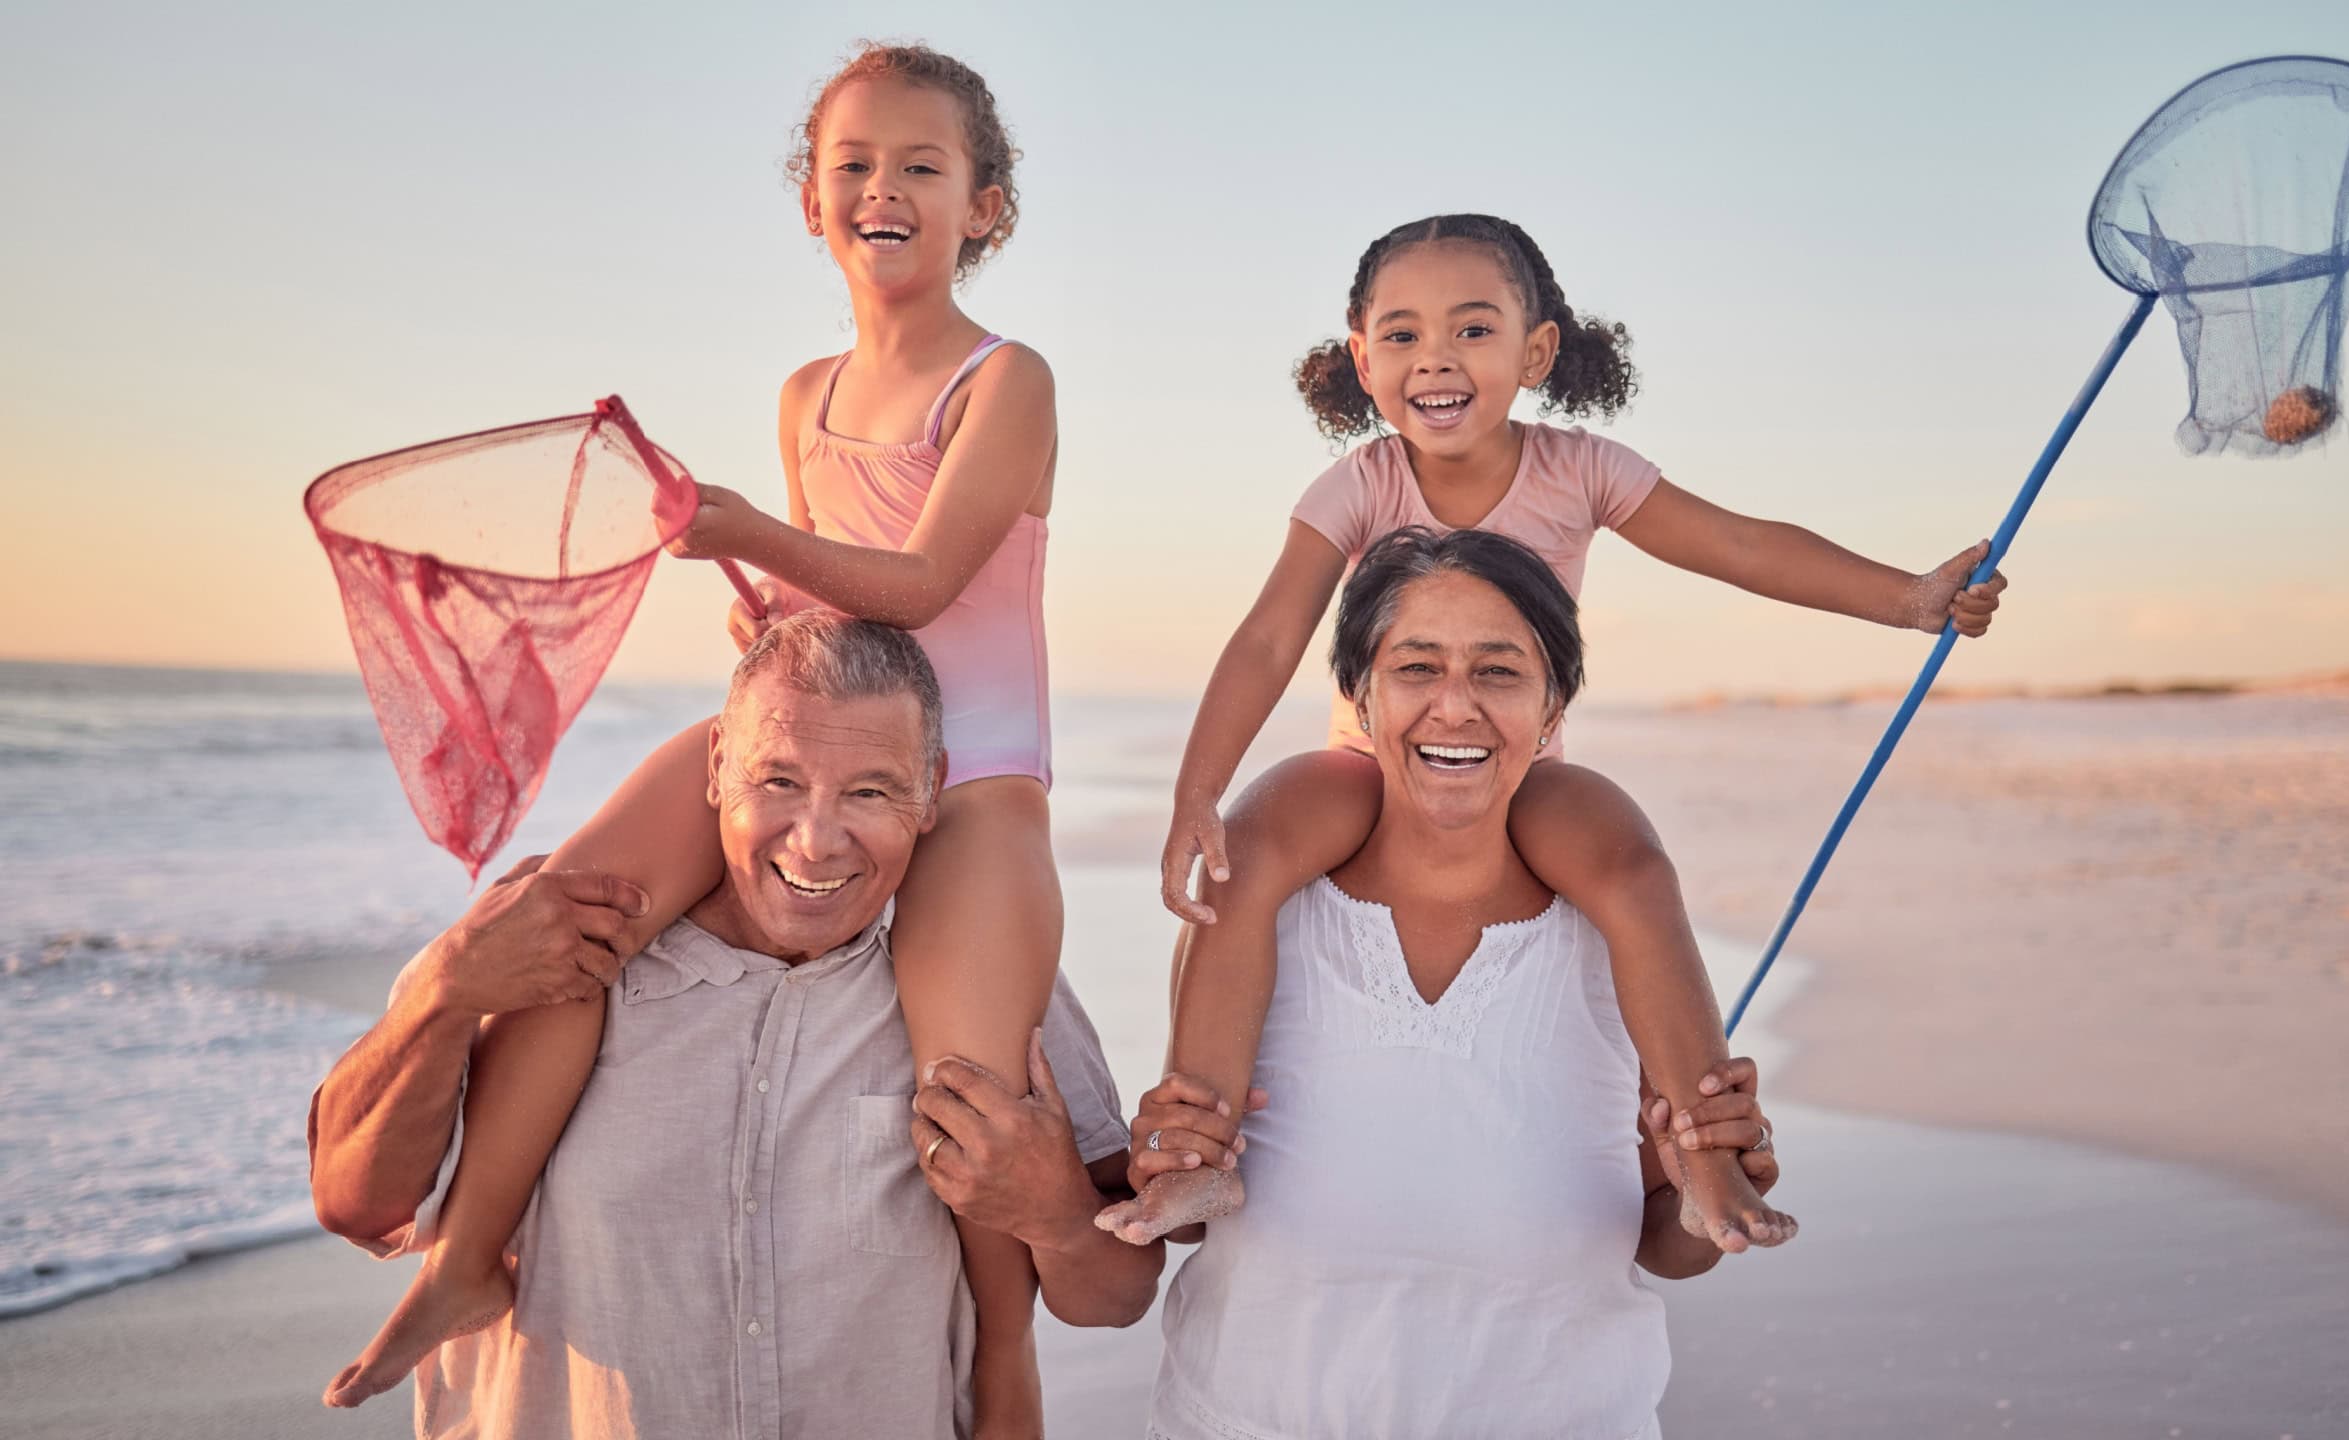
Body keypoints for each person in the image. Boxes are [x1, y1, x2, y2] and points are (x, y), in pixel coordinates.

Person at [321, 43, 1073, 1434]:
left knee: (969, 1087)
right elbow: (835, 600)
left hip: (974, 774)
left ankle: (1006, 1360)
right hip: (837, 731)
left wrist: (747, 532)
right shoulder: (804, 394)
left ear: (985, 205)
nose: (884, 189)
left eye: (922, 166)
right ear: (811, 199)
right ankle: (467, 1254)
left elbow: (918, 586)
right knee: (574, 924)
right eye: (854, 165)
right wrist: (773, 611)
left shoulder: (1003, 379)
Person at [1128, 212, 2006, 1246]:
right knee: (1246, 852)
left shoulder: (1581, 469)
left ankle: (1705, 1157)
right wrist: (1196, 792)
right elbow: (1270, 637)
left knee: (1629, 864)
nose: (1435, 359)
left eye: (1472, 329)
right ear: (1363, 361)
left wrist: (1906, 599)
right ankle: (1192, 1155)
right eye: (1402, 335)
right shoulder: (1358, 483)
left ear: (1535, 351)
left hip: (1523, 763)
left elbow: (1737, 545)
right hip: (1373, 759)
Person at [308, 613, 1160, 1436]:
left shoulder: (989, 980)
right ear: (718, 764)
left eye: (869, 792)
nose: (816, 842)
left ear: (930, 791)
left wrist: (1056, 1216)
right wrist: (440, 992)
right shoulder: (544, 941)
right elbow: (354, 1203)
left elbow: (1118, 1298)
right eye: (779, 782)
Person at [1112, 528, 1778, 1438]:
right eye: (1416, 668)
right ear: (1361, 694)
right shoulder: (1268, 902)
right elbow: (1189, 1217)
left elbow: (1665, 1240)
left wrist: (1706, 1207)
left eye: (1499, 672)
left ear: (1552, 706)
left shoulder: (1614, 922)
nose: (1455, 707)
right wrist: (1168, 1152)